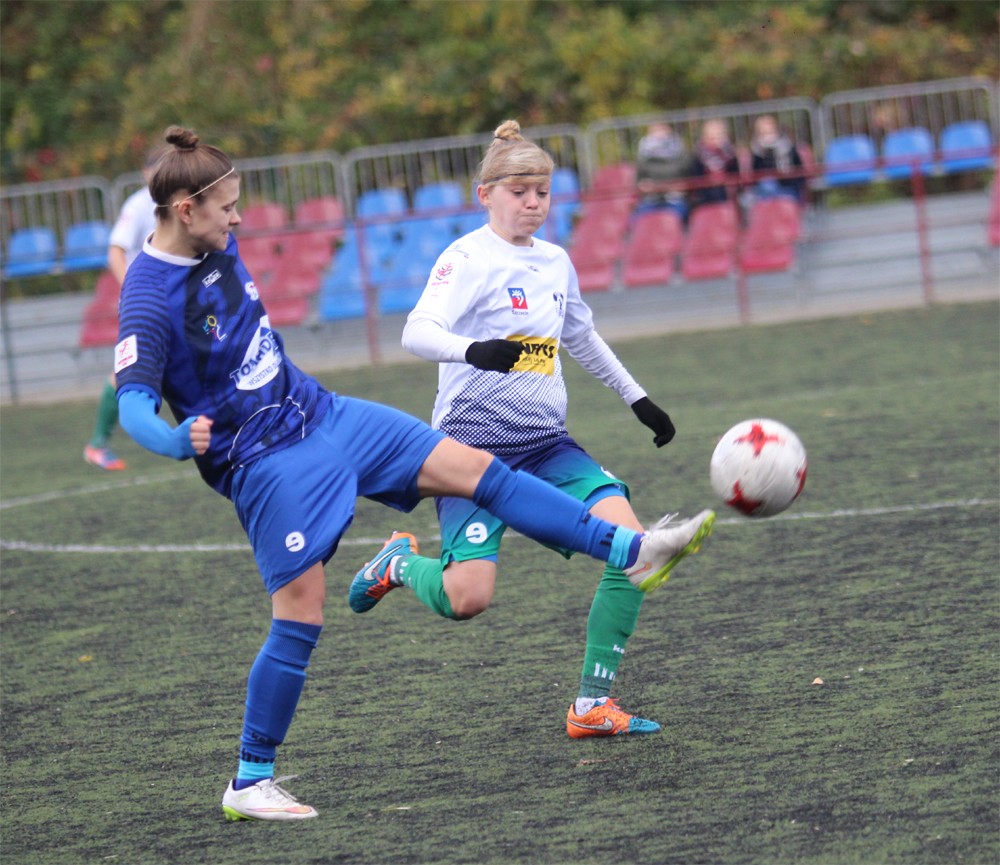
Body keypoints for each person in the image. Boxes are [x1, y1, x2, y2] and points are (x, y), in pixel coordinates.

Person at [113, 125, 716, 822]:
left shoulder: (214, 242)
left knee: (475, 470)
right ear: (186, 210)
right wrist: (171, 439)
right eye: (227, 208)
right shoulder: (147, 295)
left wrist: (635, 396)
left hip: (322, 411)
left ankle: (632, 550)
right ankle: (250, 780)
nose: (239, 219)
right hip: (265, 460)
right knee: (302, 612)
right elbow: (131, 401)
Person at [348, 119, 715, 742]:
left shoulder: (554, 262)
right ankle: (399, 563)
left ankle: (592, 705)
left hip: (546, 445)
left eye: (542, 192)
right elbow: (416, 331)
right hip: (468, 451)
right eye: (519, 191)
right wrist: (472, 350)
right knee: (468, 598)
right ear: (485, 194)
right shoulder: (465, 258)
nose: (532, 203)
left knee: (635, 552)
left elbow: (580, 336)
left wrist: (638, 398)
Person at [83, 145, 165, 471]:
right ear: (146, 174)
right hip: (146, 304)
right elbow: (115, 251)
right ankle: (97, 444)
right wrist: (134, 290)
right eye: (157, 170)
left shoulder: (178, 202)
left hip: (172, 300)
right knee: (127, 371)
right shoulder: (139, 205)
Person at [634, 121, 693, 220]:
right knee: (638, 219)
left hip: (675, 200)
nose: (659, 135)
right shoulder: (644, 158)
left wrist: (679, 186)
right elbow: (638, 182)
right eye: (656, 131)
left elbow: (687, 180)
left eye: (662, 130)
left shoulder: (681, 156)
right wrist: (645, 187)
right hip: (651, 200)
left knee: (675, 217)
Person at [749, 115, 805, 203]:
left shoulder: (788, 146)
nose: (769, 136)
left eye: (771, 132)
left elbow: (798, 168)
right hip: (766, 189)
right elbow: (756, 173)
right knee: (768, 184)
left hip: (788, 185)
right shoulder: (757, 150)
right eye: (765, 133)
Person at [689, 118, 740, 209]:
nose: (716, 140)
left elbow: (736, 174)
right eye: (712, 137)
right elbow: (696, 177)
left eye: (719, 135)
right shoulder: (699, 155)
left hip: (728, 190)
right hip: (707, 192)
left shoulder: (730, 154)